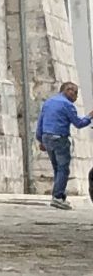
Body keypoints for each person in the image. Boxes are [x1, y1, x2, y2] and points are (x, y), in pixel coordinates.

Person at [37, 79, 93, 208]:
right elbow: (78, 123)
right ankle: (57, 197)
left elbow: (40, 122)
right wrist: (90, 116)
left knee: (57, 168)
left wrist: (41, 140)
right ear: (68, 91)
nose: (76, 97)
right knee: (63, 169)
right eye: (75, 93)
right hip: (59, 138)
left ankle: (59, 196)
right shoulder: (67, 105)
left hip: (47, 137)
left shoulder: (48, 102)